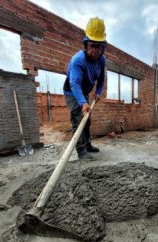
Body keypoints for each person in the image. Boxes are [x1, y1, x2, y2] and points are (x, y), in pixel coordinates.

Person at [63, 17, 107, 160]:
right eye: (92, 46)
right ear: (86, 45)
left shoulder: (102, 60)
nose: (95, 50)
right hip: (72, 91)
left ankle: (88, 145)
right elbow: (74, 83)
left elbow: (101, 79)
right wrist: (82, 102)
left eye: (98, 46)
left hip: (85, 92)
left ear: (103, 47)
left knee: (87, 120)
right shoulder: (78, 60)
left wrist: (98, 92)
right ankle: (81, 152)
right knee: (78, 119)